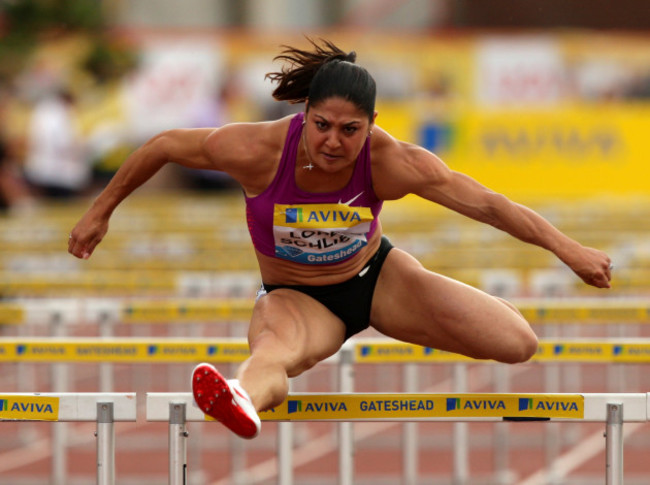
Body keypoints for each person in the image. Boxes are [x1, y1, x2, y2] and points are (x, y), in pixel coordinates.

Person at [68, 38, 612, 439]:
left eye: (350, 131)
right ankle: (238, 398)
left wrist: (570, 251)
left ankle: (396, 323)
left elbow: (489, 205)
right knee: (273, 354)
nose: (333, 142)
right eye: (322, 125)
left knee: (519, 343)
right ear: (304, 113)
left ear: (372, 125)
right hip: (298, 298)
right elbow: (162, 144)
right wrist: (101, 211)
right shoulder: (257, 151)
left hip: (380, 280)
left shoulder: (392, 162)